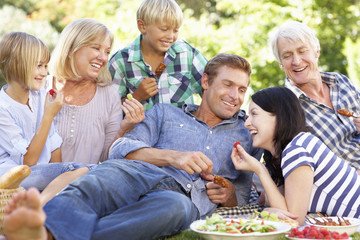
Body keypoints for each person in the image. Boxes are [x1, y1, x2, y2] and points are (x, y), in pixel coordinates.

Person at [3, 53, 262, 240]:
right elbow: (120, 148)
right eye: (227, 85)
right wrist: (173, 157)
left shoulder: (247, 134)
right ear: (205, 82)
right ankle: (44, 231)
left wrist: (228, 198)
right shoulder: (166, 113)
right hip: (141, 173)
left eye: (242, 89)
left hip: (185, 198)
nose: (234, 96)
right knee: (103, 177)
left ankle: (51, 234)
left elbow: (244, 199)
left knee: (175, 209)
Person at [232, 87, 360, 225]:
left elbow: (292, 221)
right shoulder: (292, 148)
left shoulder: (297, 149)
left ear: (280, 116)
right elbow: (283, 209)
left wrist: (259, 170)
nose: (247, 123)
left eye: (254, 114)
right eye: (247, 117)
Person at [0, 32, 90, 203]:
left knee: (81, 172)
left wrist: (60, 175)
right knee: (84, 170)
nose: (44, 73)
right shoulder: (2, 108)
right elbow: (27, 163)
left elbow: (54, 147)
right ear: (15, 65)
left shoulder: (41, 97)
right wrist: (49, 115)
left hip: (40, 175)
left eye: (45, 66)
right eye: (38, 65)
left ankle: (47, 202)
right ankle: (41, 205)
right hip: (13, 179)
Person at [46, 18, 145, 164]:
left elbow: (107, 157)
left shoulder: (109, 95)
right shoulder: (40, 88)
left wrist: (124, 129)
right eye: (96, 48)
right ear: (71, 48)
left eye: (107, 51)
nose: (103, 58)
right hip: (37, 185)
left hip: (83, 185)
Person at [270, 20, 360, 171]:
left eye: (302, 51)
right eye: (287, 56)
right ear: (280, 63)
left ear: (316, 51)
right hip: (346, 188)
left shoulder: (341, 82)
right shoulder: (285, 110)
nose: (296, 61)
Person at [108, 0, 208, 111]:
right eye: (164, 29)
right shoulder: (120, 62)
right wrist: (136, 97)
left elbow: (213, 93)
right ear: (142, 26)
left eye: (175, 30)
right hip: (141, 128)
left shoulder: (187, 54)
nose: (171, 36)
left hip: (182, 128)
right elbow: (107, 110)